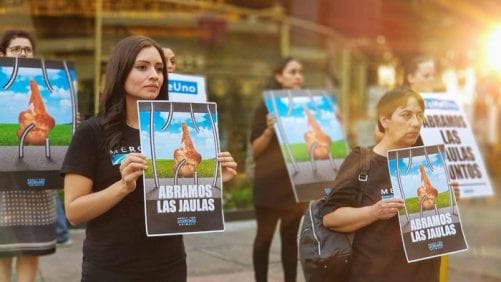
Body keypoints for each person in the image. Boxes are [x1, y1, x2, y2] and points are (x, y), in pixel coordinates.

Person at [61, 35, 237, 282]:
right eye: (142, 67)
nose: (154, 75)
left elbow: (179, 195)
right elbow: (74, 212)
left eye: (159, 68)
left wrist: (213, 180)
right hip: (110, 269)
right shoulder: (92, 131)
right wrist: (122, 187)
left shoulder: (172, 129)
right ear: (120, 72)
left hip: (169, 265)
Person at [322, 87, 452, 282]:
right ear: (385, 120)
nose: (415, 123)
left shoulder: (426, 163)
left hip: (423, 274)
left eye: (419, 116)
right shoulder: (362, 161)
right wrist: (374, 212)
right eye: (406, 115)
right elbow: (330, 218)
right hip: (373, 274)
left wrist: (448, 199)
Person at [0, 29, 57, 282]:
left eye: (27, 49)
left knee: (31, 250)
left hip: (37, 184)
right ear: (3, 54)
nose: (22, 53)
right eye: (16, 49)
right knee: (2, 252)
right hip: (3, 185)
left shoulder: (47, 83)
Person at [250, 57, 307, 282]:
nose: (298, 76)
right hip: (269, 187)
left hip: (295, 185)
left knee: (290, 239)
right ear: (279, 76)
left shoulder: (305, 107)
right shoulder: (265, 107)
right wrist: (269, 131)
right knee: (264, 238)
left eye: (300, 71)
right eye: (292, 71)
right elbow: (255, 149)